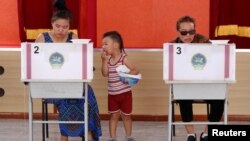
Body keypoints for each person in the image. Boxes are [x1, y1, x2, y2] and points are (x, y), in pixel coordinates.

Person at [35, 0, 102, 141]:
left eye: (65, 27)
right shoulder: (42, 38)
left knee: (87, 93)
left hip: (71, 81)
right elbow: (36, 64)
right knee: (68, 98)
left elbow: (78, 62)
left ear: (69, 27)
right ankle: (65, 135)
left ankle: (89, 132)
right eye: (57, 26)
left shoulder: (73, 38)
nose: (61, 30)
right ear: (51, 24)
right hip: (50, 85)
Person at [170, 15, 225, 141]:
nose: (188, 35)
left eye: (191, 32)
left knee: (220, 99)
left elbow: (215, 61)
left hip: (205, 84)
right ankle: (191, 134)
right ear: (178, 32)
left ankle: (206, 133)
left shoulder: (204, 42)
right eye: (184, 32)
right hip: (185, 86)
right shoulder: (172, 46)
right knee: (183, 95)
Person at [101, 31, 139, 141]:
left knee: (126, 116)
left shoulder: (124, 59)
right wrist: (103, 61)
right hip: (112, 94)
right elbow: (105, 74)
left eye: (106, 44)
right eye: (103, 44)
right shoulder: (107, 60)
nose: (103, 47)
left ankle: (129, 136)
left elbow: (135, 70)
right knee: (113, 116)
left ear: (116, 45)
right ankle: (112, 138)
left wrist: (126, 76)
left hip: (125, 94)